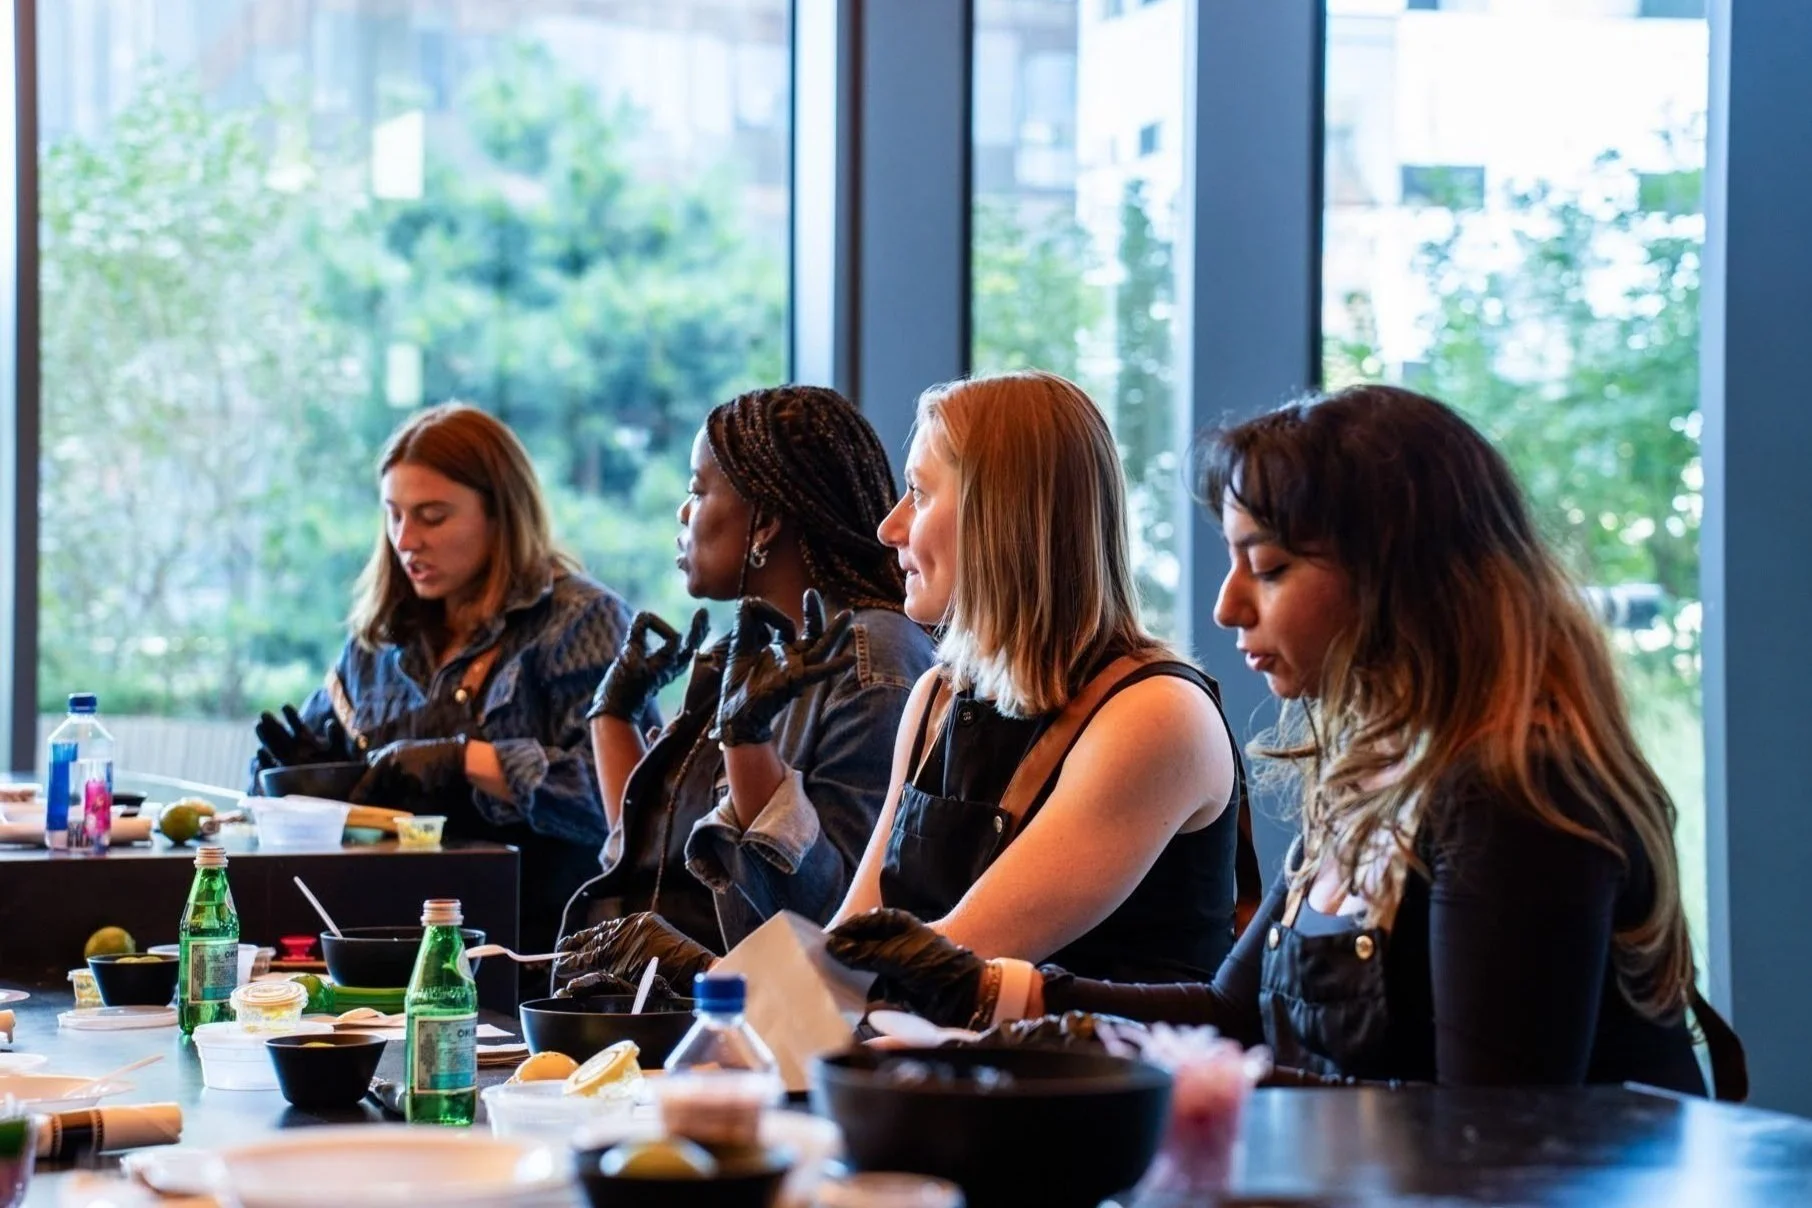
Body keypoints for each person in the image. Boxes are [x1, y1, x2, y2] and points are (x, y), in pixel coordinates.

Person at [827, 385, 1742, 1097]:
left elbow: (1483, 1132)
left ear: (1403, 580)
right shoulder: (1379, 773)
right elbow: (1235, 1013)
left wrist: (1122, 1072)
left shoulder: (1515, 793)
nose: (1228, 606)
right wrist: (993, 992)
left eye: (1267, 566)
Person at [561, 370, 1256, 996]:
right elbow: (846, 951)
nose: (890, 526)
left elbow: (934, 963)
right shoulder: (938, 699)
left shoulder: (1155, 716)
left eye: (919, 494)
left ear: (1001, 515)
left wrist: (708, 976)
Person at [248, 402, 647, 957]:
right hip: (379, 944)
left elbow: (622, 809)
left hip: (538, 958)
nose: (406, 540)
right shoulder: (377, 642)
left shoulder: (583, 621)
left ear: (500, 515)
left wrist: (465, 761)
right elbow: (305, 811)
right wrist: (304, 782)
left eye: (432, 517)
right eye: (394, 515)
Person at [562, 384, 936, 958]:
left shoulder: (870, 657)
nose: (684, 513)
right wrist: (613, 717)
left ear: (764, 524)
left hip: (749, 1026)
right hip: (654, 1004)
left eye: (697, 490)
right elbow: (651, 865)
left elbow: (837, 925)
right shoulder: (747, 649)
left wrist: (746, 742)